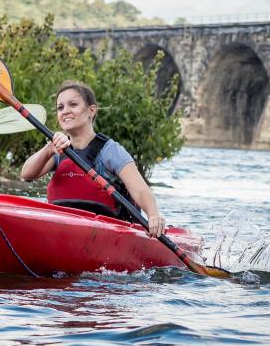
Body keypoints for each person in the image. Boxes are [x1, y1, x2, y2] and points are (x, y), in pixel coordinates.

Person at [20, 80, 166, 237]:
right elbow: (27, 174)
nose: (65, 111)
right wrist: (48, 149)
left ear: (91, 111)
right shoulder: (56, 150)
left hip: (108, 234)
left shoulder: (110, 151)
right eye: (60, 107)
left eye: (73, 105)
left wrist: (153, 215)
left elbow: (140, 189)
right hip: (62, 231)